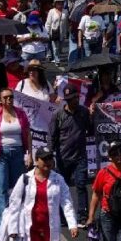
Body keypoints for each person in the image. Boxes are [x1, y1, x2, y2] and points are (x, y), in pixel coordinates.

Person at [0, 89, 32, 229]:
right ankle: (1, 223)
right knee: (2, 189)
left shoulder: (21, 114)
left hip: (18, 153)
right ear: (0, 100)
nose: (9, 99)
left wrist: (29, 154)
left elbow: (28, 134)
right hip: (1, 154)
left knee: (18, 189)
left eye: (11, 97)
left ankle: (17, 221)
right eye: (5, 97)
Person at [48, 85, 91, 227]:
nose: (72, 101)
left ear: (77, 97)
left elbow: (90, 130)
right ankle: (62, 216)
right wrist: (50, 155)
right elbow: (52, 136)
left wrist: (93, 114)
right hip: (63, 158)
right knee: (62, 187)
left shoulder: (84, 112)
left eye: (74, 98)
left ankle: (82, 216)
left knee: (81, 185)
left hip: (80, 157)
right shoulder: (58, 115)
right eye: (69, 99)